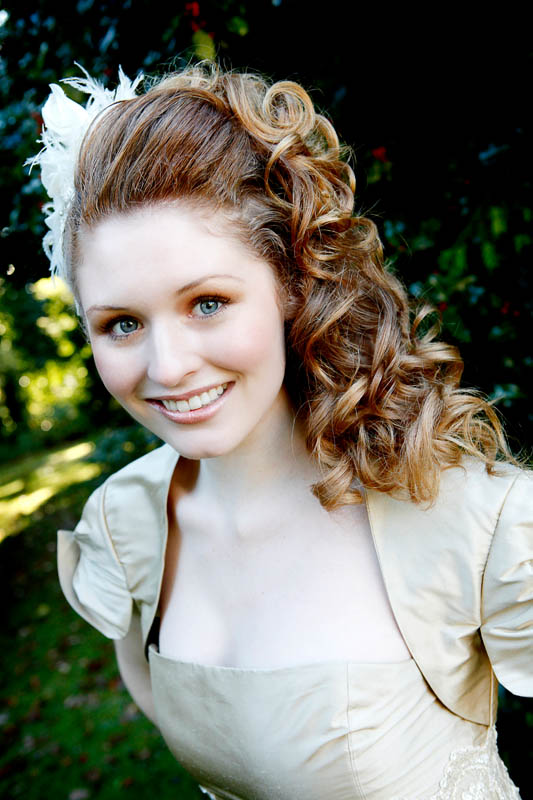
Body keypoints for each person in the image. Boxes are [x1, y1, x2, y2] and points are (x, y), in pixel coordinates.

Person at [29, 63, 532, 799]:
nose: (167, 367)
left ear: (290, 283)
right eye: (123, 323)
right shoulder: (125, 523)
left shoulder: (473, 518)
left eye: (207, 303)